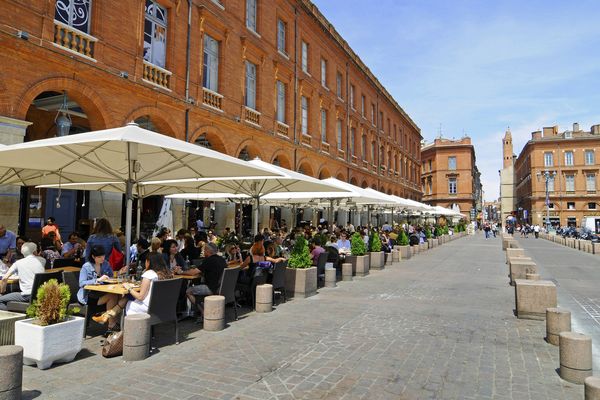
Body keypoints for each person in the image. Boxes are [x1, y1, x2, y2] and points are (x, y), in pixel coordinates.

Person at [92, 253, 173, 325]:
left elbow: (140, 297)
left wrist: (129, 288)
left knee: (128, 297)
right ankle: (107, 315)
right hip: (162, 306)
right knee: (128, 297)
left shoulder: (149, 274)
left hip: (148, 308)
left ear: (148, 262)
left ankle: (110, 319)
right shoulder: (167, 274)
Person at [176, 243, 225, 310]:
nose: (203, 252)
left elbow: (193, 272)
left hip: (210, 288)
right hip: (220, 287)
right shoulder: (222, 259)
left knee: (188, 291)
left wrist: (181, 272)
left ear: (208, 251)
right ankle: (202, 309)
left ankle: (204, 312)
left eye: (204, 250)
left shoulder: (209, 260)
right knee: (197, 286)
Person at [77, 245, 116, 330]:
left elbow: (111, 277)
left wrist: (119, 272)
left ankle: (110, 322)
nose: (102, 258)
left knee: (118, 296)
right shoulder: (86, 267)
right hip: (89, 296)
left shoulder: (105, 264)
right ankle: (111, 325)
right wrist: (97, 280)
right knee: (113, 297)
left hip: (101, 293)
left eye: (103, 256)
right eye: (99, 257)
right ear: (93, 256)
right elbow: (81, 283)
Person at [0, 242, 45, 310]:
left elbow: (4, 278)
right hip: (41, 293)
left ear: (22, 252)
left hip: (27, 295)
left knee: (0, 300)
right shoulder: (42, 260)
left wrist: (2, 291)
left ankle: (15, 313)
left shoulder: (18, 263)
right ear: (35, 251)